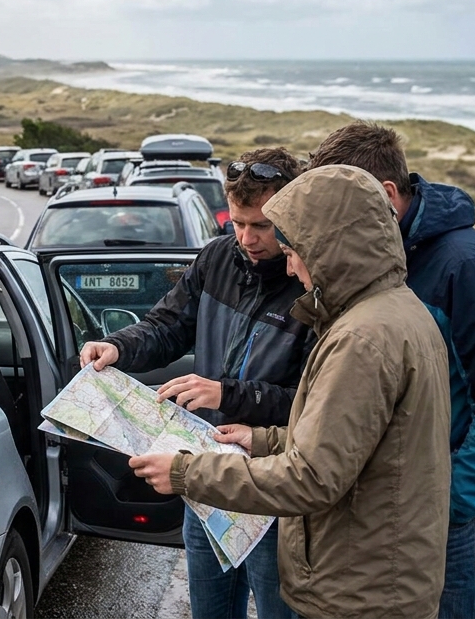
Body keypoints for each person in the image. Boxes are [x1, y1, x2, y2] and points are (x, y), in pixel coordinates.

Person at [128, 164, 453, 618]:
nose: (289, 263)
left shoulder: (360, 338)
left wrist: (187, 473)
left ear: (328, 248)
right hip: (371, 571)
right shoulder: (396, 310)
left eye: (292, 248)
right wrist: (261, 440)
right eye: (239, 224)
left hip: (358, 585)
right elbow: (349, 440)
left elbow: (312, 476)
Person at [307, 122, 475, 619]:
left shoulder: (466, 266)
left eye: (343, 208)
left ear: (388, 194)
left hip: (456, 511)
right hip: (399, 504)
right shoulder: (379, 256)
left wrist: (445, 503)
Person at [80, 147, 313, 619]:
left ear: (291, 217)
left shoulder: (311, 283)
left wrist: (227, 393)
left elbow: (313, 404)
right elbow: (167, 326)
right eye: (238, 223)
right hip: (206, 469)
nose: (247, 238)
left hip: (276, 481)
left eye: (262, 226)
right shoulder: (216, 257)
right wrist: (118, 346)